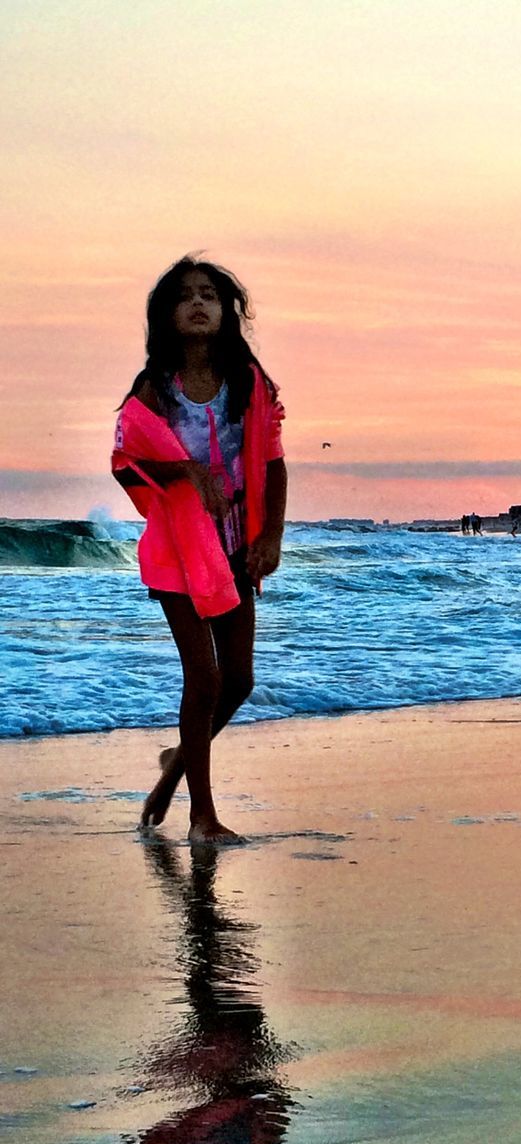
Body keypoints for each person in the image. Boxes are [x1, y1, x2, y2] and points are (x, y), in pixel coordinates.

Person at [111, 257, 287, 845]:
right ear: (167, 314)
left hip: (235, 545)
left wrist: (272, 536)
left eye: (209, 295)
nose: (198, 303)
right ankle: (201, 817)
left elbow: (272, 462)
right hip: (177, 550)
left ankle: (173, 768)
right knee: (204, 680)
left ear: (226, 311)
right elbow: (127, 463)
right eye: (185, 296)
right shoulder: (156, 386)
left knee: (238, 680)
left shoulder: (248, 382)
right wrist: (186, 469)